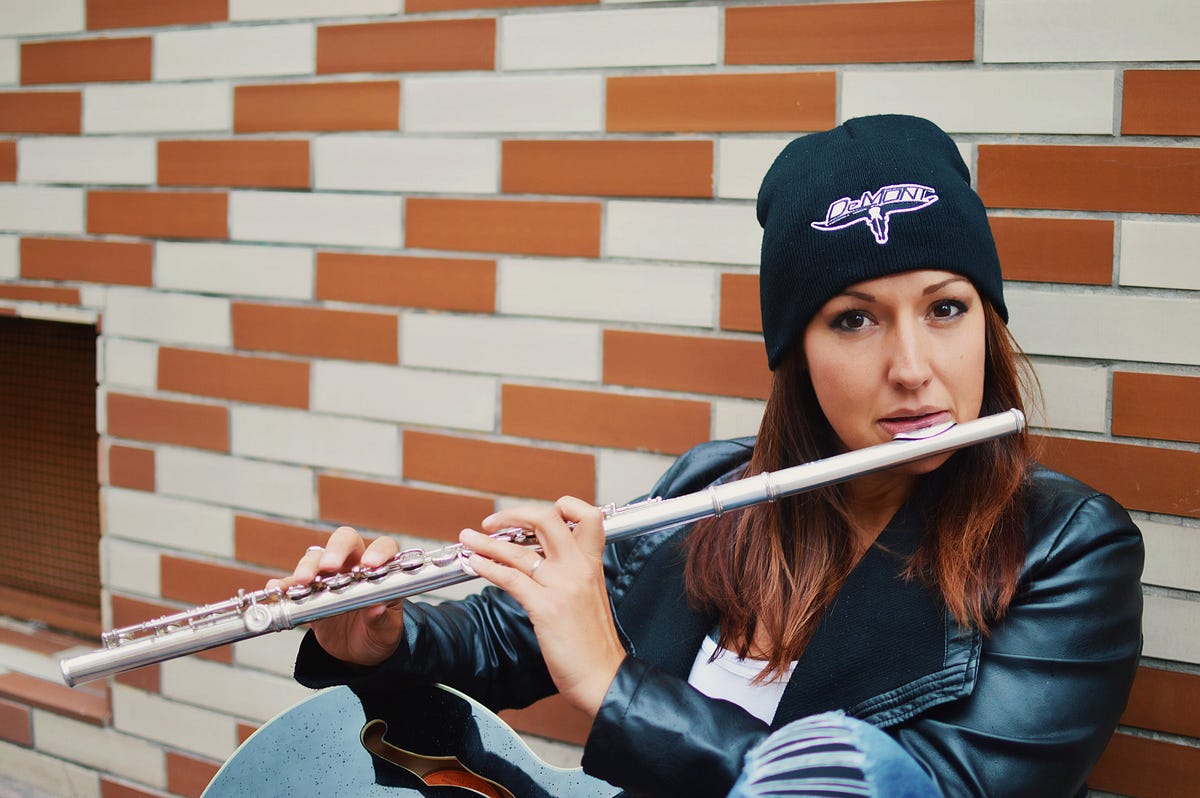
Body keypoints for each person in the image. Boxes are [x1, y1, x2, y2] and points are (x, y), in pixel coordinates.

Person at [271, 115, 1143, 798]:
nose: (913, 367)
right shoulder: (719, 486)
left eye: (945, 308)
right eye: (854, 319)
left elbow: (944, 789)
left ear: (986, 321)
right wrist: (384, 635)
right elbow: (517, 636)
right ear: (795, 352)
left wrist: (616, 686)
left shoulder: (1065, 548)